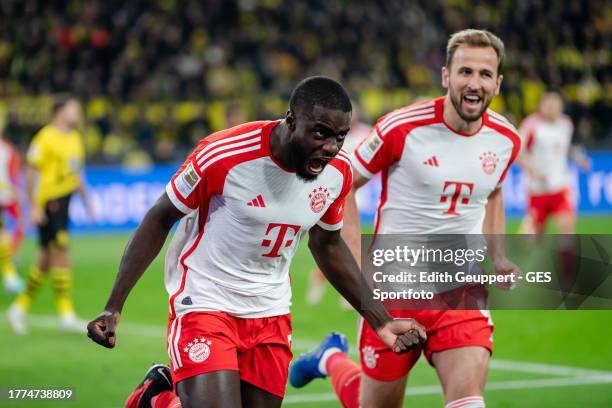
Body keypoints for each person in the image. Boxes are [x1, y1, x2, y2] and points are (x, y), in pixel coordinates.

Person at [86, 76, 427, 408]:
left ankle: (159, 399)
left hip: (270, 311)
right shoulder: (224, 154)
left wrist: (380, 320)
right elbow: (160, 217)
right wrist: (114, 305)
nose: (331, 147)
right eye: (320, 133)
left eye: (339, 136)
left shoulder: (337, 174)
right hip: (205, 301)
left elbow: (327, 244)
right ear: (291, 121)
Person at [290, 30, 521, 408]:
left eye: (484, 74)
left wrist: (497, 255)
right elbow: (343, 182)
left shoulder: (506, 139)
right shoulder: (401, 127)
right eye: (465, 72)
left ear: (497, 82)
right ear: (446, 76)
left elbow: (493, 191)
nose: (474, 82)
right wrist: (358, 266)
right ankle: (331, 359)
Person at [7, 95, 94, 334]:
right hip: (50, 202)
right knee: (62, 253)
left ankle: (19, 308)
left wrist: (87, 202)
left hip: (65, 201)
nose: (77, 112)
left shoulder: (75, 138)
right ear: (60, 111)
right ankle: (66, 314)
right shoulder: (45, 137)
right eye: (73, 108)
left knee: (44, 261)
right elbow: (31, 171)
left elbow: (76, 173)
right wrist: (34, 206)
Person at [305, 103, 372, 308]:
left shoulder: (366, 133)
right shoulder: (330, 136)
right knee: (333, 243)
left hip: (357, 194)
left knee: (354, 244)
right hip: (335, 192)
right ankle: (320, 281)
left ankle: (348, 293)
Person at [516, 91, 590, 235]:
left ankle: (568, 258)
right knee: (533, 237)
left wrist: (579, 159)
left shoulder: (566, 124)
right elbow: (517, 153)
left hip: (560, 186)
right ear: (540, 106)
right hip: (537, 189)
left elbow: (565, 148)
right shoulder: (530, 125)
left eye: (555, 104)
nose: (552, 108)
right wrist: (533, 171)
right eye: (548, 104)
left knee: (567, 228)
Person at [0, 116, 24, 294]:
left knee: (10, 230)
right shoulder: (7, 150)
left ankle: (9, 272)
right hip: (6, 193)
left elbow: (12, 173)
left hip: (5, 195)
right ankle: (9, 274)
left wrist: (15, 189)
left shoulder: (8, 150)